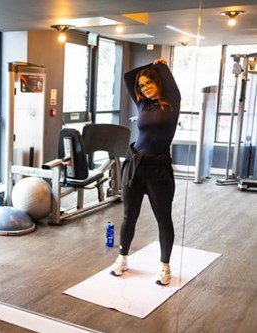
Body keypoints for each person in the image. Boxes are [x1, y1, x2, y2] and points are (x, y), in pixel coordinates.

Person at [109, 58, 181, 286]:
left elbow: (166, 82)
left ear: (158, 82)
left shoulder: (172, 102)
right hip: (135, 166)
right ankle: (122, 258)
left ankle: (164, 266)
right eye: (142, 86)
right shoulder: (142, 104)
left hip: (158, 168)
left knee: (163, 218)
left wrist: (160, 66)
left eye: (148, 83)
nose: (144, 87)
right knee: (130, 215)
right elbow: (128, 77)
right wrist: (147, 66)